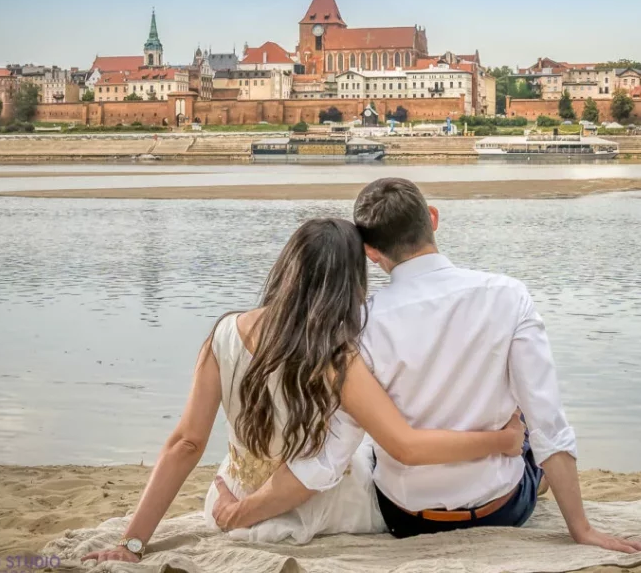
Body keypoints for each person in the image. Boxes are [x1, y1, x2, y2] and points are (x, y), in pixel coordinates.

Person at [212, 178, 641, 552]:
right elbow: (551, 424)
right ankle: (539, 479)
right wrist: (582, 530)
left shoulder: (359, 326)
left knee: (369, 437)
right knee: (528, 428)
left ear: (371, 252)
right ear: (433, 218)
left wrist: (240, 512)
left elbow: (325, 459)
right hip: (502, 509)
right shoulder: (508, 296)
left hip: (406, 517)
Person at [83, 218, 525, 563]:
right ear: (349, 282)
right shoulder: (337, 357)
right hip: (318, 509)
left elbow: (186, 443)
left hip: (230, 495)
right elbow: (405, 445)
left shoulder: (224, 333)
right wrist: (501, 440)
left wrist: (132, 542)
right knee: (375, 452)